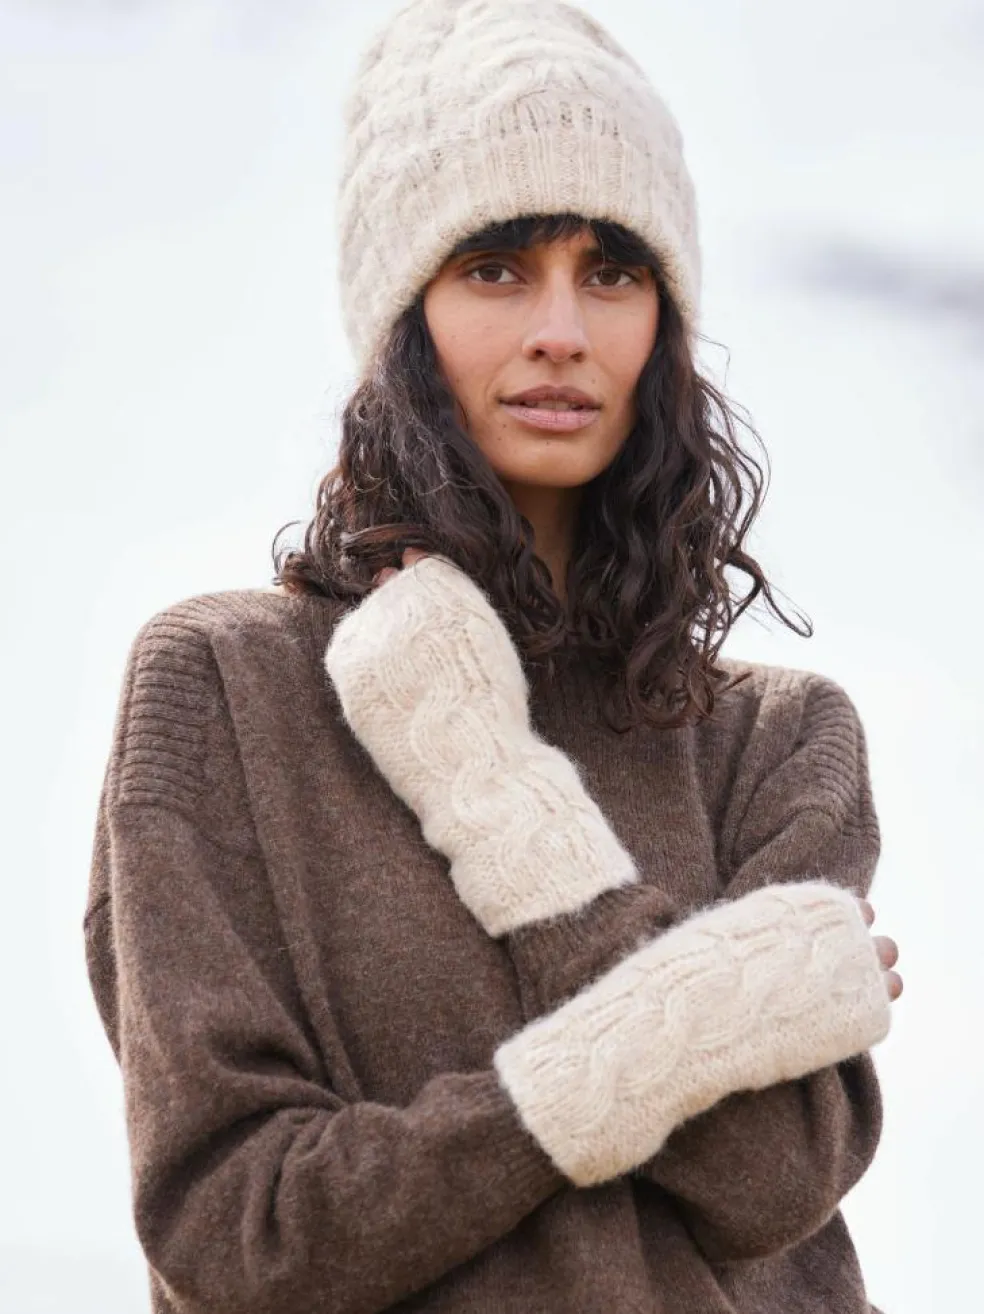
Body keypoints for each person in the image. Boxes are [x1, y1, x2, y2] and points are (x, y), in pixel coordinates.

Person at [82, 1, 903, 1312]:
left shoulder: (776, 736)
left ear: (665, 320)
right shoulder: (226, 685)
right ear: (402, 312)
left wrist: (491, 785)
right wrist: (689, 1023)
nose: (562, 328)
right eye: (497, 267)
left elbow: (769, 1180)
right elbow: (241, 1232)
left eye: (612, 270)